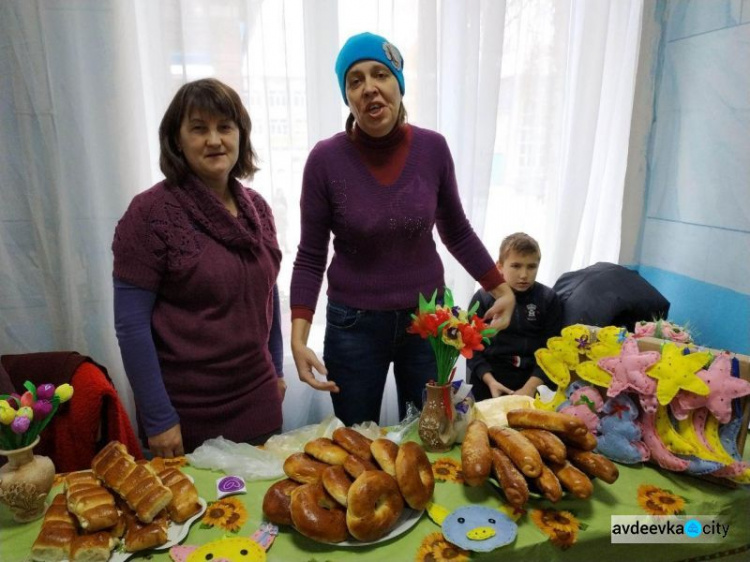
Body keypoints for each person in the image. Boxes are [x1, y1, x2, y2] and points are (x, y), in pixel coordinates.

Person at [289, 32, 515, 426]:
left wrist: (501, 288)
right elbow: (310, 255)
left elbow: (456, 230)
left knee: (431, 435)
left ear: (399, 84)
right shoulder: (325, 160)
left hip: (428, 324)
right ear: (347, 96)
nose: (370, 88)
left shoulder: (433, 149)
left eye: (380, 74)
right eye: (355, 80)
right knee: (358, 444)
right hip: (353, 327)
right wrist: (298, 337)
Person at [112, 78, 285, 457]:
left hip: (259, 402)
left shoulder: (259, 209)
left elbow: (268, 295)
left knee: (261, 514)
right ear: (176, 140)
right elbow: (131, 326)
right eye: (198, 128)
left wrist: (277, 370)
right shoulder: (149, 215)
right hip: (187, 415)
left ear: (241, 135)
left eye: (225, 127)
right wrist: (158, 419)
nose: (214, 140)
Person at [467, 232, 563, 401]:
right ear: (499, 267)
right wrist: (490, 381)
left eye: (531, 267)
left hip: (534, 380)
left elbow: (553, 351)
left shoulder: (548, 299)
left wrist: (529, 389)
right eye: (516, 266)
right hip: (490, 379)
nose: (524, 275)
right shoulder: (482, 298)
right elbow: (471, 349)